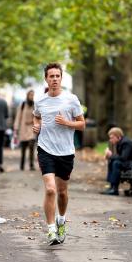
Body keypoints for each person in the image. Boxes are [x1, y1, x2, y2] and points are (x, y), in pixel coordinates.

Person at [33, 63, 86, 245]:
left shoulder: (71, 100)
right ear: (46, 79)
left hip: (65, 152)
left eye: (57, 76)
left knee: (62, 192)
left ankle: (61, 220)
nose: (54, 79)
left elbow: (82, 124)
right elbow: (36, 115)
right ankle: (50, 230)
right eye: (51, 76)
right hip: (45, 149)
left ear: (61, 78)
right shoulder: (40, 100)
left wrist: (67, 123)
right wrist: (36, 125)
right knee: (50, 189)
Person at [100, 127, 132, 196]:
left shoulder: (126, 143)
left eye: (112, 138)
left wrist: (111, 155)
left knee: (116, 163)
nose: (110, 140)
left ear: (118, 137)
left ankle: (115, 189)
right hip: (131, 161)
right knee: (112, 162)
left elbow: (123, 158)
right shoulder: (120, 142)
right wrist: (110, 157)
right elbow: (121, 157)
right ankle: (111, 187)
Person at [13, 89, 36, 171]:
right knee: (23, 149)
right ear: (27, 96)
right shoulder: (22, 105)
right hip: (23, 129)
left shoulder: (35, 105)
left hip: (31, 129)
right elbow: (18, 117)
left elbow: (38, 117)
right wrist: (16, 128)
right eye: (30, 95)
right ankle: (22, 165)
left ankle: (31, 165)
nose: (32, 97)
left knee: (31, 146)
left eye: (33, 95)